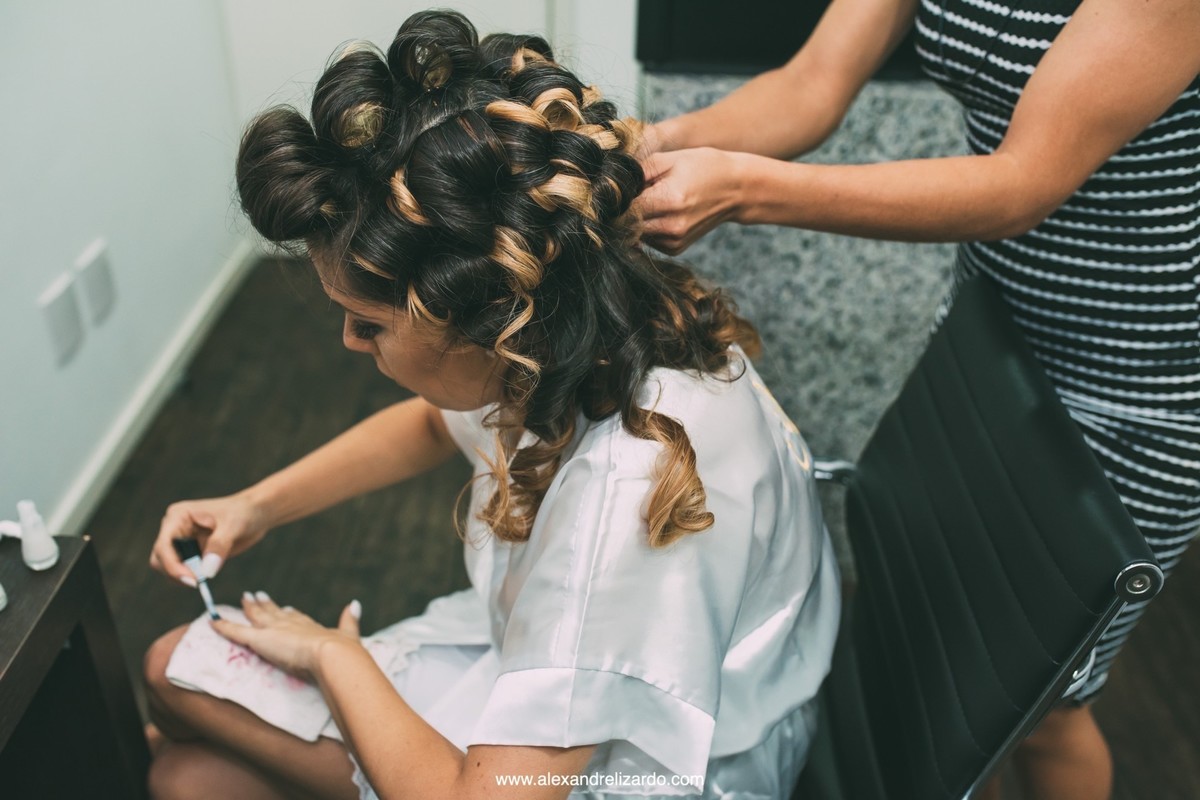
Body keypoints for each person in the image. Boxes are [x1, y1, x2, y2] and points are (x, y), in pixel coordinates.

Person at [141, 10, 840, 800]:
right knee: (182, 763)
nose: (343, 342)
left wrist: (334, 660)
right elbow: (431, 427)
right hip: (564, 677)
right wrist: (257, 506)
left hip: (652, 765)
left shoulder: (619, 509)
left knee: (177, 719)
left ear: (485, 321)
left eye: (367, 322)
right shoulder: (582, 325)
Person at [635, 0, 1200, 798]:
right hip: (997, 321)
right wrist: (649, 150)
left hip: (1135, 379)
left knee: (1045, 697)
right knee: (954, 663)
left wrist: (741, 190)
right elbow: (810, 84)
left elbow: (1020, 184)